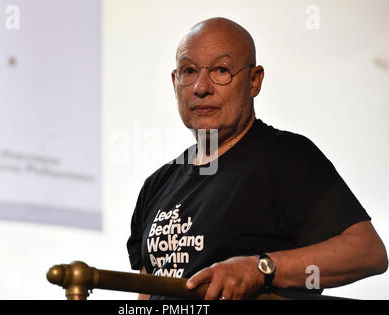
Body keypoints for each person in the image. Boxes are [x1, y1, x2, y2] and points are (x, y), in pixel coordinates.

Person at [126, 17, 388, 300]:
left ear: (254, 81)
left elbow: (367, 252)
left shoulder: (286, 158)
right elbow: (146, 293)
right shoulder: (157, 185)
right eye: (189, 71)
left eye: (221, 70)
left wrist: (259, 269)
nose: (201, 87)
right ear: (175, 82)